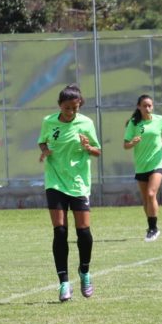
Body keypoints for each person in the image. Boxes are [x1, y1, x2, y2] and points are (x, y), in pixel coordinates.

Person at [37, 84, 101, 302]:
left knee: (83, 231)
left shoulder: (86, 123)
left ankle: (84, 272)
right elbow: (42, 141)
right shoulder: (49, 121)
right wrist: (45, 151)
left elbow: (97, 151)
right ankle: (63, 282)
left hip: (78, 182)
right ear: (59, 106)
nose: (72, 112)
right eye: (67, 108)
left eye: (75, 108)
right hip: (54, 181)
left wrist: (87, 147)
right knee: (60, 231)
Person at [123, 94, 162, 242]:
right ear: (138, 107)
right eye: (144, 105)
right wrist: (132, 142)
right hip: (141, 165)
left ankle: (153, 229)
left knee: (151, 194)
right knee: (146, 199)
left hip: (157, 163)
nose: (147, 108)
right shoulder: (133, 123)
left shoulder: (160, 120)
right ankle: (150, 226)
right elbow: (125, 145)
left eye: (150, 105)